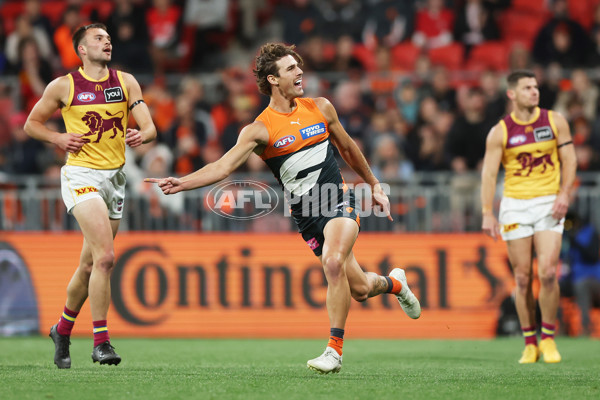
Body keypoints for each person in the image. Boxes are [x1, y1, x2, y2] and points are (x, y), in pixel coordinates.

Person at [146, 43, 421, 374]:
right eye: (291, 68)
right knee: (360, 288)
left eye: (298, 66)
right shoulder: (259, 129)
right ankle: (395, 283)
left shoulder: (321, 107)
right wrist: (182, 182)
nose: (299, 71)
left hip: (336, 199)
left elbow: (347, 147)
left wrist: (374, 184)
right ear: (273, 79)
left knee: (333, 263)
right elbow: (222, 167)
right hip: (306, 217)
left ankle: (333, 352)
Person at [24, 23, 157, 368]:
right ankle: (101, 342)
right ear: (81, 49)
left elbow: (151, 126)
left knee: (89, 265)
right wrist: (57, 139)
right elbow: (31, 124)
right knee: (106, 258)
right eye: (98, 38)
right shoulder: (63, 86)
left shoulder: (125, 82)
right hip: (81, 176)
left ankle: (62, 329)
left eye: (109, 38)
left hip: (115, 179)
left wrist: (144, 133)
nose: (107, 41)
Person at [481, 70, 577, 364]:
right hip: (515, 206)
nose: (534, 92)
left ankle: (548, 338)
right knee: (522, 278)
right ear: (512, 94)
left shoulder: (554, 121)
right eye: (527, 88)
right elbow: (489, 173)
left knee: (547, 272)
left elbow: (570, 159)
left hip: (549, 202)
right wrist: (487, 212)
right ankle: (529, 342)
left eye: (535, 87)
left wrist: (564, 194)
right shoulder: (501, 131)